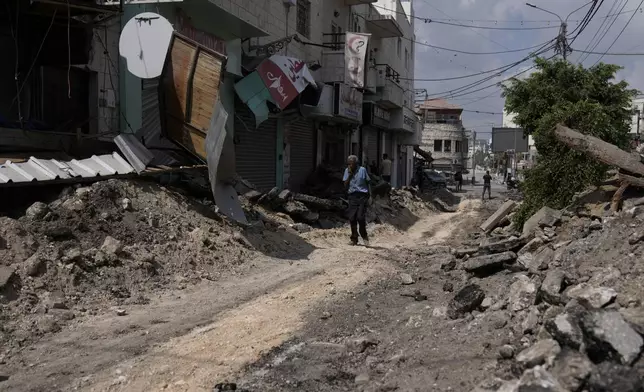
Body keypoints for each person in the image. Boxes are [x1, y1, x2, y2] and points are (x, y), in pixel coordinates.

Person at [343, 155, 371, 246]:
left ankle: (364, 236)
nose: (350, 165)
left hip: (362, 196)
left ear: (356, 163)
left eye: (352, 163)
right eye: (349, 163)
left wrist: (371, 196)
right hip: (352, 196)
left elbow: (368, 182)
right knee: (352, 218)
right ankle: (354, 239)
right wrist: (350, 175)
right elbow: (345, 184)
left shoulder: (362, 170)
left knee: (360, 217)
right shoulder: (347, 171)